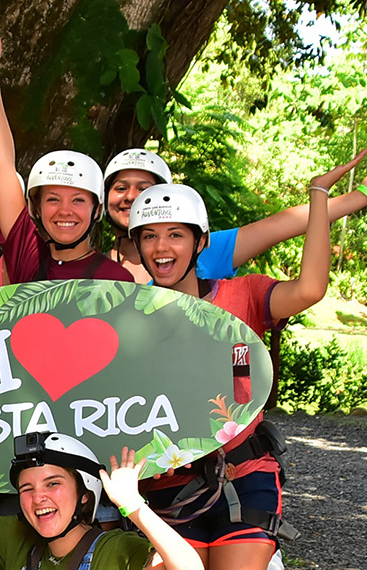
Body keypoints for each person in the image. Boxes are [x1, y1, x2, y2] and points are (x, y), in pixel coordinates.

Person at [125, 157, 353, 569]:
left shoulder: (242, 296)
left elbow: (310, 289)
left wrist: (318, 196)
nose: (162, 248)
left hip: (246, 476)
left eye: (176, 234)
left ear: (200, 242)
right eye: (149, 236)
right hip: (167, 488)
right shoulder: (125, 319)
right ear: (137, 246)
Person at [0, 15, 131, 283]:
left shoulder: (117, 279)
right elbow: (2, 164)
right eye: (53, 199)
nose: (65, 210)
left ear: (97, 210)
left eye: (78, 200)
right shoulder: (27, 255)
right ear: (35, 208)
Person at [102, 148, 367, 283]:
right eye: (120, 188)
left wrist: (363, 196)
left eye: (144, 188)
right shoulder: (91, 268)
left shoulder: (204, 251)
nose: (131, 197)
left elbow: (281, 225)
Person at [0, 435, 203, 570]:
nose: (38, 497)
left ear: (85, 494)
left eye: (53, 483)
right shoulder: (12, 537)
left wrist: (133, 505)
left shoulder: (116, 549)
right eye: (26, 488)